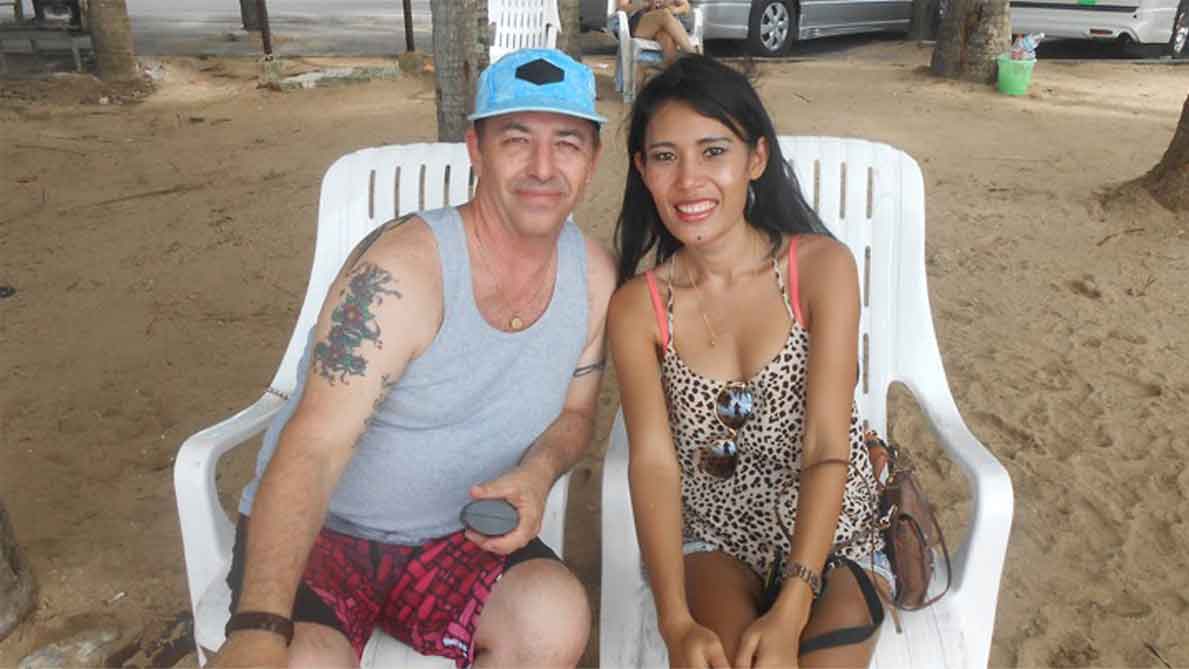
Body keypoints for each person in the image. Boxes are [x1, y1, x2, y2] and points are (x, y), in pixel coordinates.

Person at [214, 48, 616, 669]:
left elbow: (575, 414)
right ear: (476, 150)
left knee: (551, 620)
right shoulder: (401, 275)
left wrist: (538, 473)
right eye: (516, 140)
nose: (542, 167)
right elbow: (313, 446)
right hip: (325, 537)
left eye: (567, 143)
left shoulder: (593, 276)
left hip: (461, 536)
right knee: (299, 662)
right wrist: (260, 625)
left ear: (591, 162)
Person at [607, 54, 893, 668]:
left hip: (834, 530)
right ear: (643, 169)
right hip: (716, 534)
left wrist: (793, 605)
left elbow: (827, 445)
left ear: (755, 158)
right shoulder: (639, 309)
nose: (689, 181)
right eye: (665, 156)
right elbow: (653, 464)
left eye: (713, 151)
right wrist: (675, 621)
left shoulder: (821, 269)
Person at [614, 0, 698, 64]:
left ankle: (671, 75)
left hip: (664, 26)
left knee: (667, 38)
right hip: (638, 24)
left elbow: (686, 6)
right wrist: (644, 4)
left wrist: (673, 10)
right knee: (664, 15)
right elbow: (621, 8)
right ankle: (694, 56)